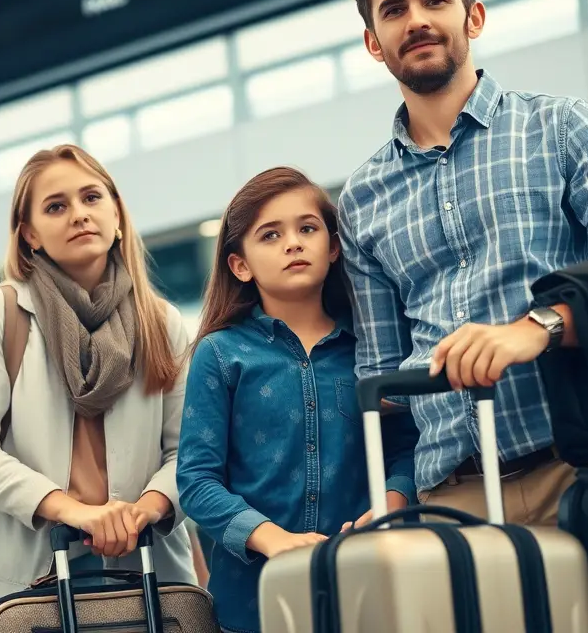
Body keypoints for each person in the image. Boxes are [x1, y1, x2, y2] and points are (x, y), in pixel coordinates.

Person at [337, 0, 588, 527]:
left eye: (434, 0)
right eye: (394, 10)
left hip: (583, 465)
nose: (416, 19)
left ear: (473, 17)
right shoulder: (362, 197)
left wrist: (536, 328)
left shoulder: (561, 126)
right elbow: (381, 375)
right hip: (449, 494)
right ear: (373, 41)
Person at [0, 144, 196, 617]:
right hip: (27, 581)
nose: (78, 214)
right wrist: (73, 511)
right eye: (56, 206)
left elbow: (189, 451)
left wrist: (143, 510)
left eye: (92, 198)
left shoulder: (160, 321)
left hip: (150, 576)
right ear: (29, 235)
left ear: (117, 215)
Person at [176, 166, 417, 633]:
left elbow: (408, 446)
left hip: (367, 585)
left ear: (332, 246)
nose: (292, 242)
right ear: (240, 265)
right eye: (270, 235)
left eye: (307, 228)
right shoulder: (220, 354)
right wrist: (272, 540)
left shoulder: (375, 351)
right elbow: (197, 481)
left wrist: (392, 502)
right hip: (254, 605)